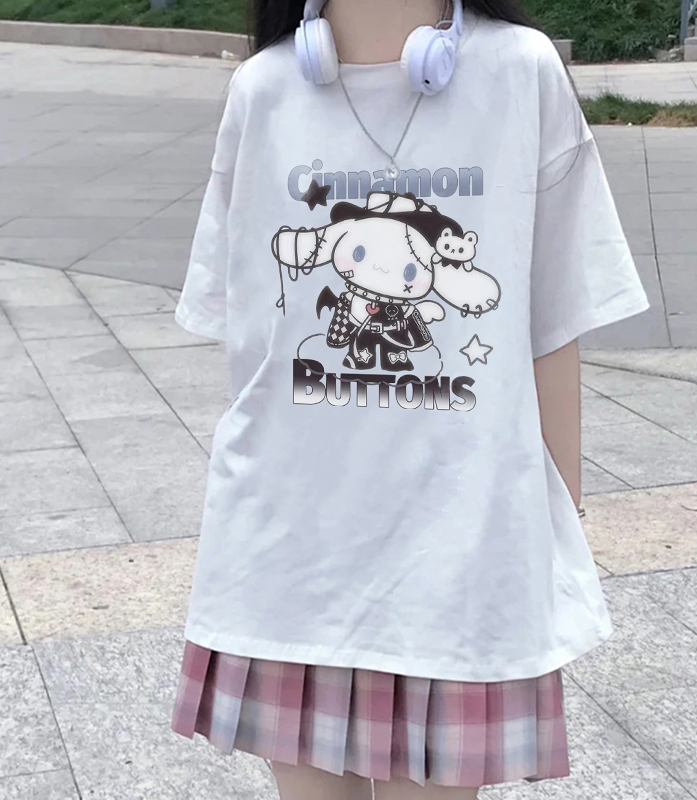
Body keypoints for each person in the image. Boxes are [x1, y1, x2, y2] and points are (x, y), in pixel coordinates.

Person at [170, 0, 651, 798]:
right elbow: (250, 346)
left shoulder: (522, 73)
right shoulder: (262, 90)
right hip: (293, 563)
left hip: (457, 562)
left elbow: (555, 319)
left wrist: (557, 521)